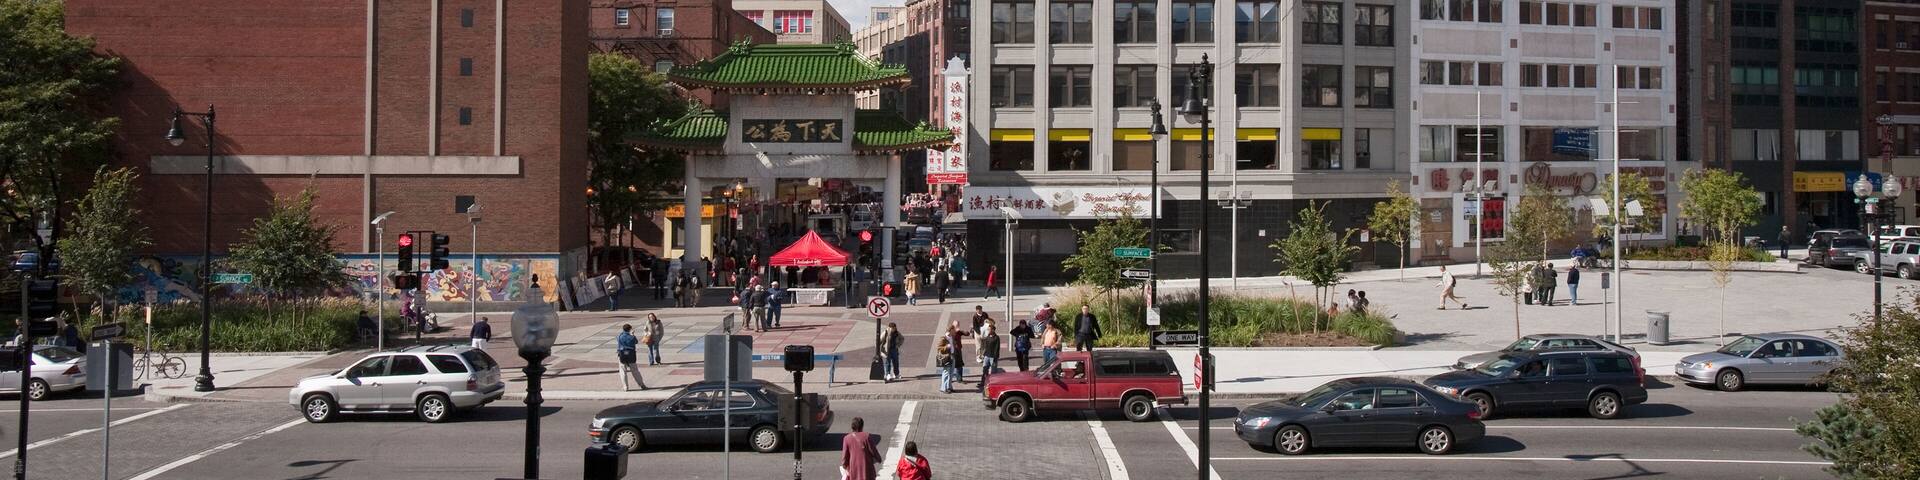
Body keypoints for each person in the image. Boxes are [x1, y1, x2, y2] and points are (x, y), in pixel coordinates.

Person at [615, 324, 647, 390]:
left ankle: (625, 386)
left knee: (623, 371)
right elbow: (636, 342)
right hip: (631, 354)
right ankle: (641, 384)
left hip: (622, 354)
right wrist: (632, 335)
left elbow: (618, 343)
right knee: (635, 371)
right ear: (630, 329)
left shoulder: (619, 336)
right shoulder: (631, 337)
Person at [976, 322, 1000, 389]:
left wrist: (995, 357)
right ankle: (983, 382)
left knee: (993, 371)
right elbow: (985, 347)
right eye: (988, 329)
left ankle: (993, 384)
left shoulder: (996, 338)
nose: (988, 331)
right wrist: (983, 354)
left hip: (993, 357)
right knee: (985, 369)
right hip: (987, 356)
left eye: (989, 329)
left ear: (993, 330)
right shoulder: (987, 337)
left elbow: (997, 348)